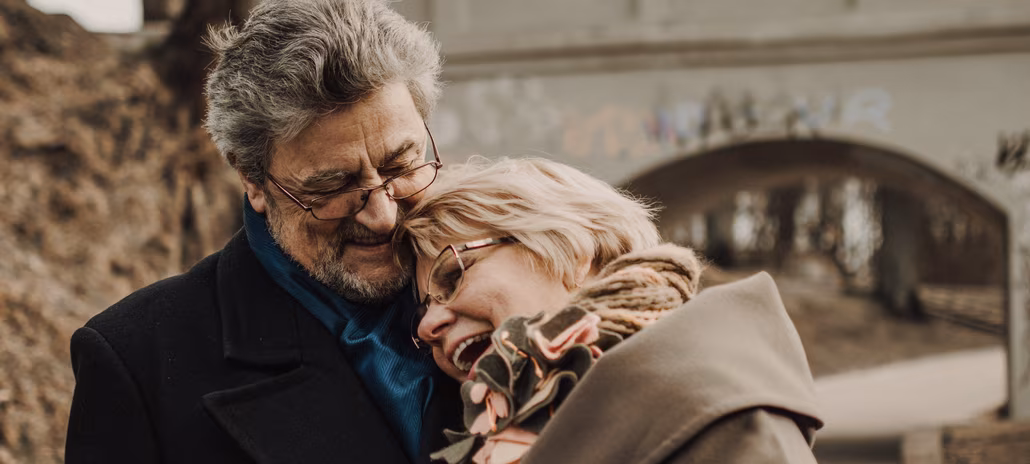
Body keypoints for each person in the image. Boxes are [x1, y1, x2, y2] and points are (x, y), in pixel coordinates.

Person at [64, 1, 462, 463]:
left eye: (402, 165)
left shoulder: (509, 281)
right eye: (333, 186)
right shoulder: (137, 359)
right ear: (253, 179)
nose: (383, 216)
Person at [396, 157, 824, 463]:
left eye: (453, 275)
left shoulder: (721, 419)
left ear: (572, 250)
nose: (430, 325)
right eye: (422, 312)